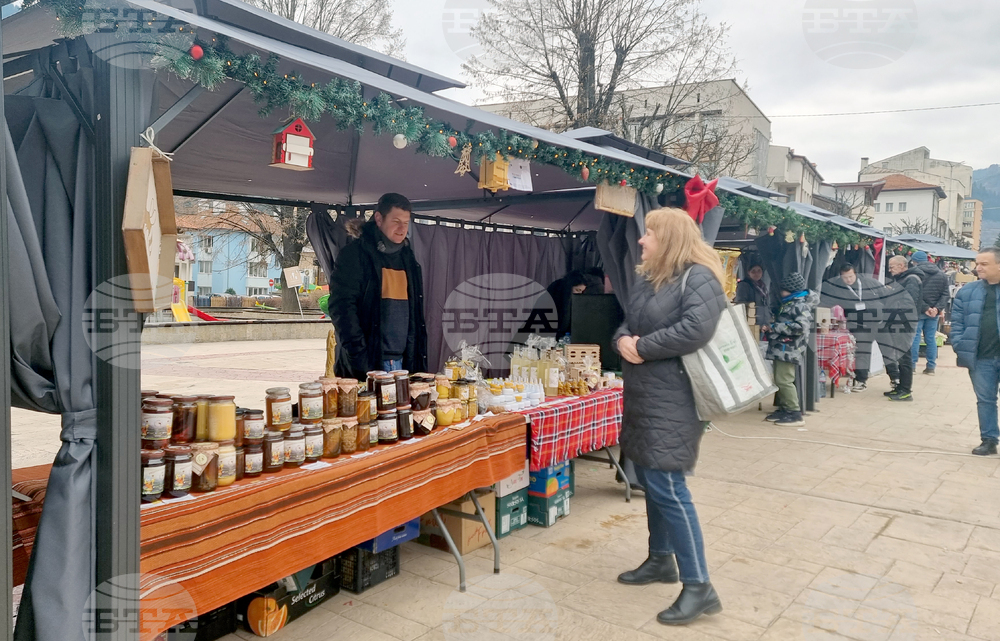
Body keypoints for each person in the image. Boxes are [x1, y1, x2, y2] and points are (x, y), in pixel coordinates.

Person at [612, 207, 726, 626]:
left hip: (675, 399)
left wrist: (641, 348)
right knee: (652, 480)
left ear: (671, 237)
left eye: (649, 234)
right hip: (645, 397)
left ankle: (699, 586)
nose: (641, 241)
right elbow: (625, 321)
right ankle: (661, 560)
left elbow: (697, 328)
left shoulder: (699, 276)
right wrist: (623, 339)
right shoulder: (650, 276)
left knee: (669, 486)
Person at [329, 193, 428, 378]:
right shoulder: (354, 255)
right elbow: (341, 308)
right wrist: (359, 356)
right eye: (396, 221)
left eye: (406, 223)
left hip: (404, 363)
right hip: (367, 363)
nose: (401, 228)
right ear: (378, 218)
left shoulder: (409, 258)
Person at [951, 248, 1000, 456]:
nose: (977, 268)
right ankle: (989, 440)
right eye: (977, 263)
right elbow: (957, 323)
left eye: (984, 264)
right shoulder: (968, 291)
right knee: (986, 400)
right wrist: (959, 343)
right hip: (981, 358)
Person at [764, 273, 817, 426]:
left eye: (784, 290)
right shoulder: (791, 303)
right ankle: (784, 408)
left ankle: (794, 413)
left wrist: (775, 327)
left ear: (791, 290)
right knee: (780, 379)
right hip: (781, 348)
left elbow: (802, 327)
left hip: (789, 349)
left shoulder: (799, 304)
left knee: (784, 380)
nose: (781, 292)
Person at [822, 265, 884, 392]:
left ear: (855, 274)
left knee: (887, 350)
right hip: (858, 325)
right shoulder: (839, 289)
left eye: (850, 276)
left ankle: (895, 378)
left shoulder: (869, 282)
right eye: (845, 277)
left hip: (879, 322)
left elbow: (886, 295)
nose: (848, 280)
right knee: (862, 352)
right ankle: (861, 380)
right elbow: (825, 302)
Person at [883, 255, 922, 401]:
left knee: (904, 356)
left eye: (892, 266)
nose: (890, 269)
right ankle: (900, 387)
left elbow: (908, 302)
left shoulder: (911, 279)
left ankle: (906, 390)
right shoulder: (902, 279)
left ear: (901, 266)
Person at [909, 251, 950, 376]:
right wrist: (937, 308)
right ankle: (931, 367)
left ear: (915, 261)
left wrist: (925, 308)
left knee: (915, 337)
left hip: (918, 311)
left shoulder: (914, 274)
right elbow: (945, 294)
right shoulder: (941, 274)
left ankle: (912, 366)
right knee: (930, 338)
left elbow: (914, 294)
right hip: (934, 313)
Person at [734, 263, 773, 329]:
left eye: (759, 271)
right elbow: (741, 304)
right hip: (751, 322)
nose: (756, 274)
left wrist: (767, 322)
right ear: (748, 272)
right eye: (753, 271)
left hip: (764, 324)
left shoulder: (763, 286)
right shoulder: (744, 285)